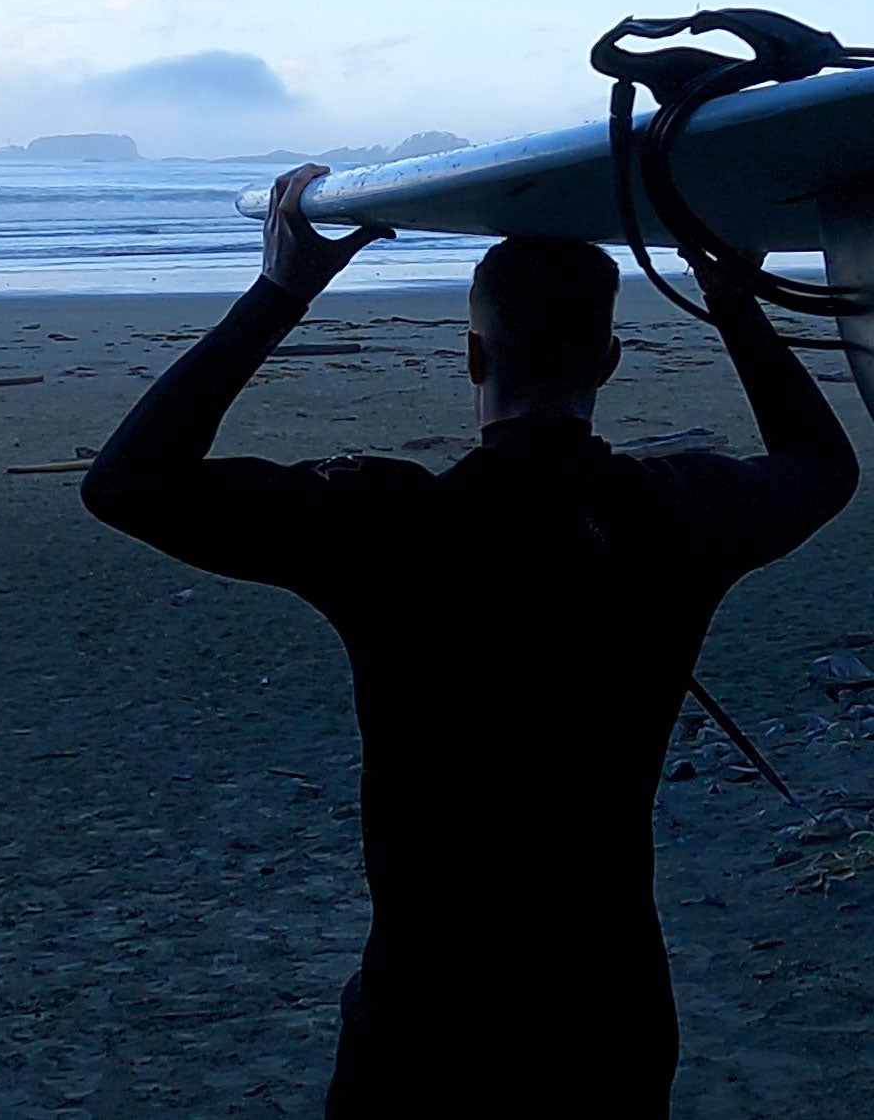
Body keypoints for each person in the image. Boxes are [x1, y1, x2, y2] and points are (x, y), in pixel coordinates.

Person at [81, 164, 858, 1117]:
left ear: (473, 359)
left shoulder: (387, 525)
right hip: (604, 1005)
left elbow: (125, 484)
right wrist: (733, 299)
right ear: (610, 362)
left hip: (426, 1007)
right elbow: (821, 466)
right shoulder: (673, 514)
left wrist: (280, 290)